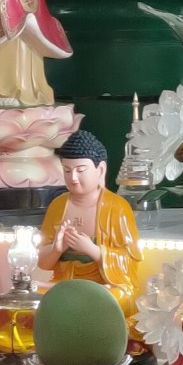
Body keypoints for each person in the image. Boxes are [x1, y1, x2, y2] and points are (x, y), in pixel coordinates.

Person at [35, 128, 139, 319]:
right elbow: (43, 263)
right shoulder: (58, 206)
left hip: (103, 286)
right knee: (29, 295)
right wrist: (57, 248)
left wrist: (92, 250)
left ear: (100, 170)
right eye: (67, 170)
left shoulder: (117, 207)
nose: (73, 178)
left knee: (115, 298)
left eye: (81, 170)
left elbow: (130, 262)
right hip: (63, 285)